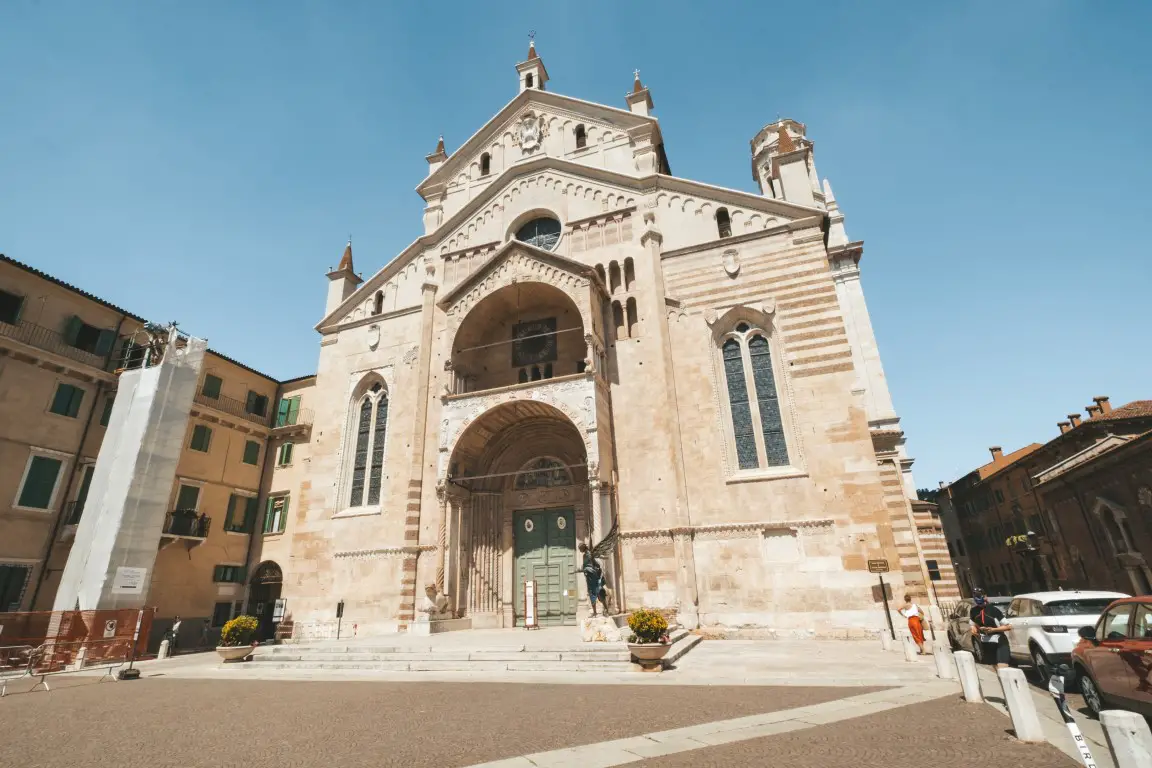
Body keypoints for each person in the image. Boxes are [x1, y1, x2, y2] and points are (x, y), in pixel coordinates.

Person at [969, 588, 1011, 668]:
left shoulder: (993, 610)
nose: (977, 598)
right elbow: (972, 623)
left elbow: (1008, 626)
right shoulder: (973, 611)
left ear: (985, 596)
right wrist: (974, 628)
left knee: (1003, 668)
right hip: (985, 642)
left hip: (999, 641)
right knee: (994, 668)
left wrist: (993, 629)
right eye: (975, 596)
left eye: (979, 595)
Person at [578, 542, 605, 617]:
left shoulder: (589, 554)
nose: (579, 550)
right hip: (589, 577)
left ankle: (606, 608)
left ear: (583, 547)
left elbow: (596, 564)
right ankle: (595, 612)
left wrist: (588, 569)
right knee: (591, 594)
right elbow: (585, 566)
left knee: (599, 593)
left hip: (594, 577)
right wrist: (582, 569)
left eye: (580, 548)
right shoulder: (584, 556)